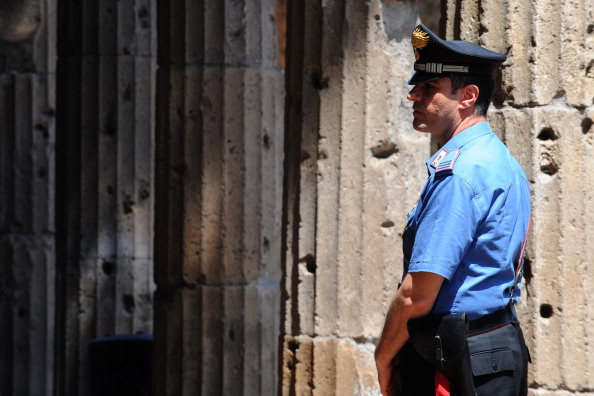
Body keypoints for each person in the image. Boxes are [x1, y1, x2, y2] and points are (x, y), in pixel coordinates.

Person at [375, 24, 531, 396]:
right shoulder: (495, 158)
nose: (413, 94)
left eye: (429, 87)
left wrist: (383, 358)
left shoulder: (460, 172)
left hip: (456, 360)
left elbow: (417, 295)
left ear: (468, 96)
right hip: (488, 349)